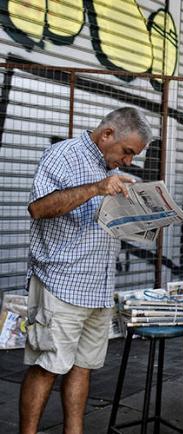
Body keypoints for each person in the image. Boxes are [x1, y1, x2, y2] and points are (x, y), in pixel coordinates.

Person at [20, 107, 152, 434]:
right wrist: (96, 188)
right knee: (46, 367)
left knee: (82, 369)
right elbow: (38, 208)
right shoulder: (62, 155)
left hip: (98, 287)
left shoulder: (114, 172)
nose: (129, 161)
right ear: (107, 135)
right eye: (127, 151)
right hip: (60, 284)